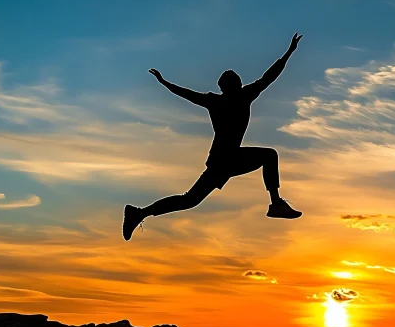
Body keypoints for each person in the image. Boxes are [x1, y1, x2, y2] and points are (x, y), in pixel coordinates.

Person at [123, 33, 304, 241]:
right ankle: (276, 204)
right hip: (226, 160)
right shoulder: (241, 97)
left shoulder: (218, 101)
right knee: (269, 156)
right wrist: (289, 52)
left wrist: (165, 83)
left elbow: (188, 94)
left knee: (189, 200)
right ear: (233, 86)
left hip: (222, 160)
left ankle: (138, 213)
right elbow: (268, 77)